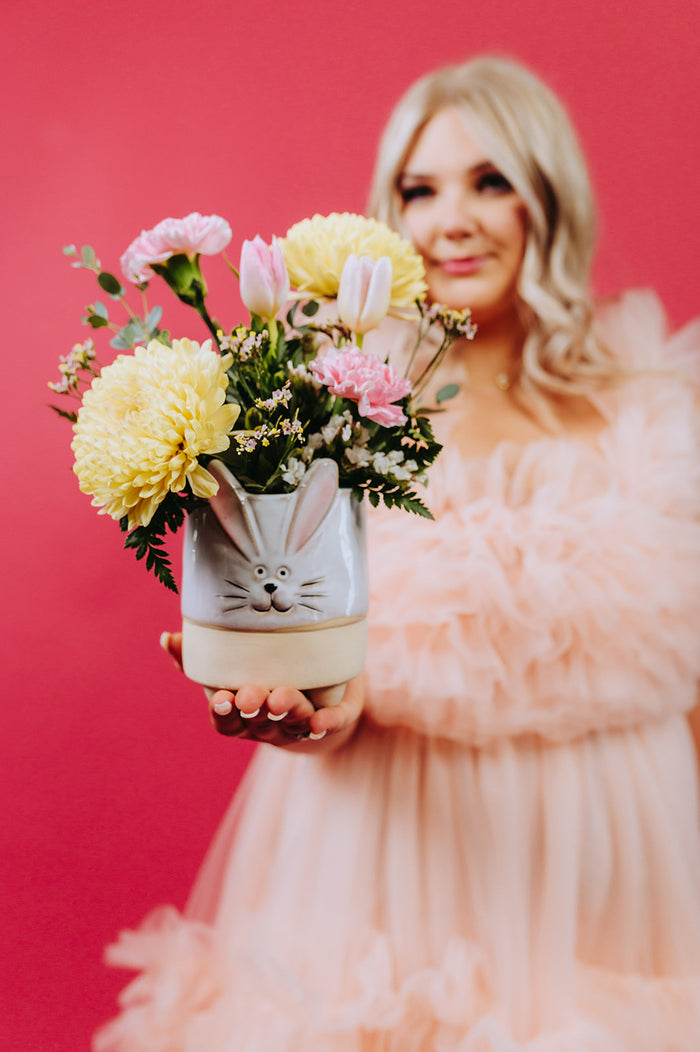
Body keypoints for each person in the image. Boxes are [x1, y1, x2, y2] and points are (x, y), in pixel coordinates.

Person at [94, 56, 700, 1050]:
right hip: (398, 878)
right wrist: (296, 703)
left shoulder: (656, 406)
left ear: (547, 197)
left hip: (623, 888)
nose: (450, 218)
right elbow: (327, 673)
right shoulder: (338, 411)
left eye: (489, 180)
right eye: (420, 189)